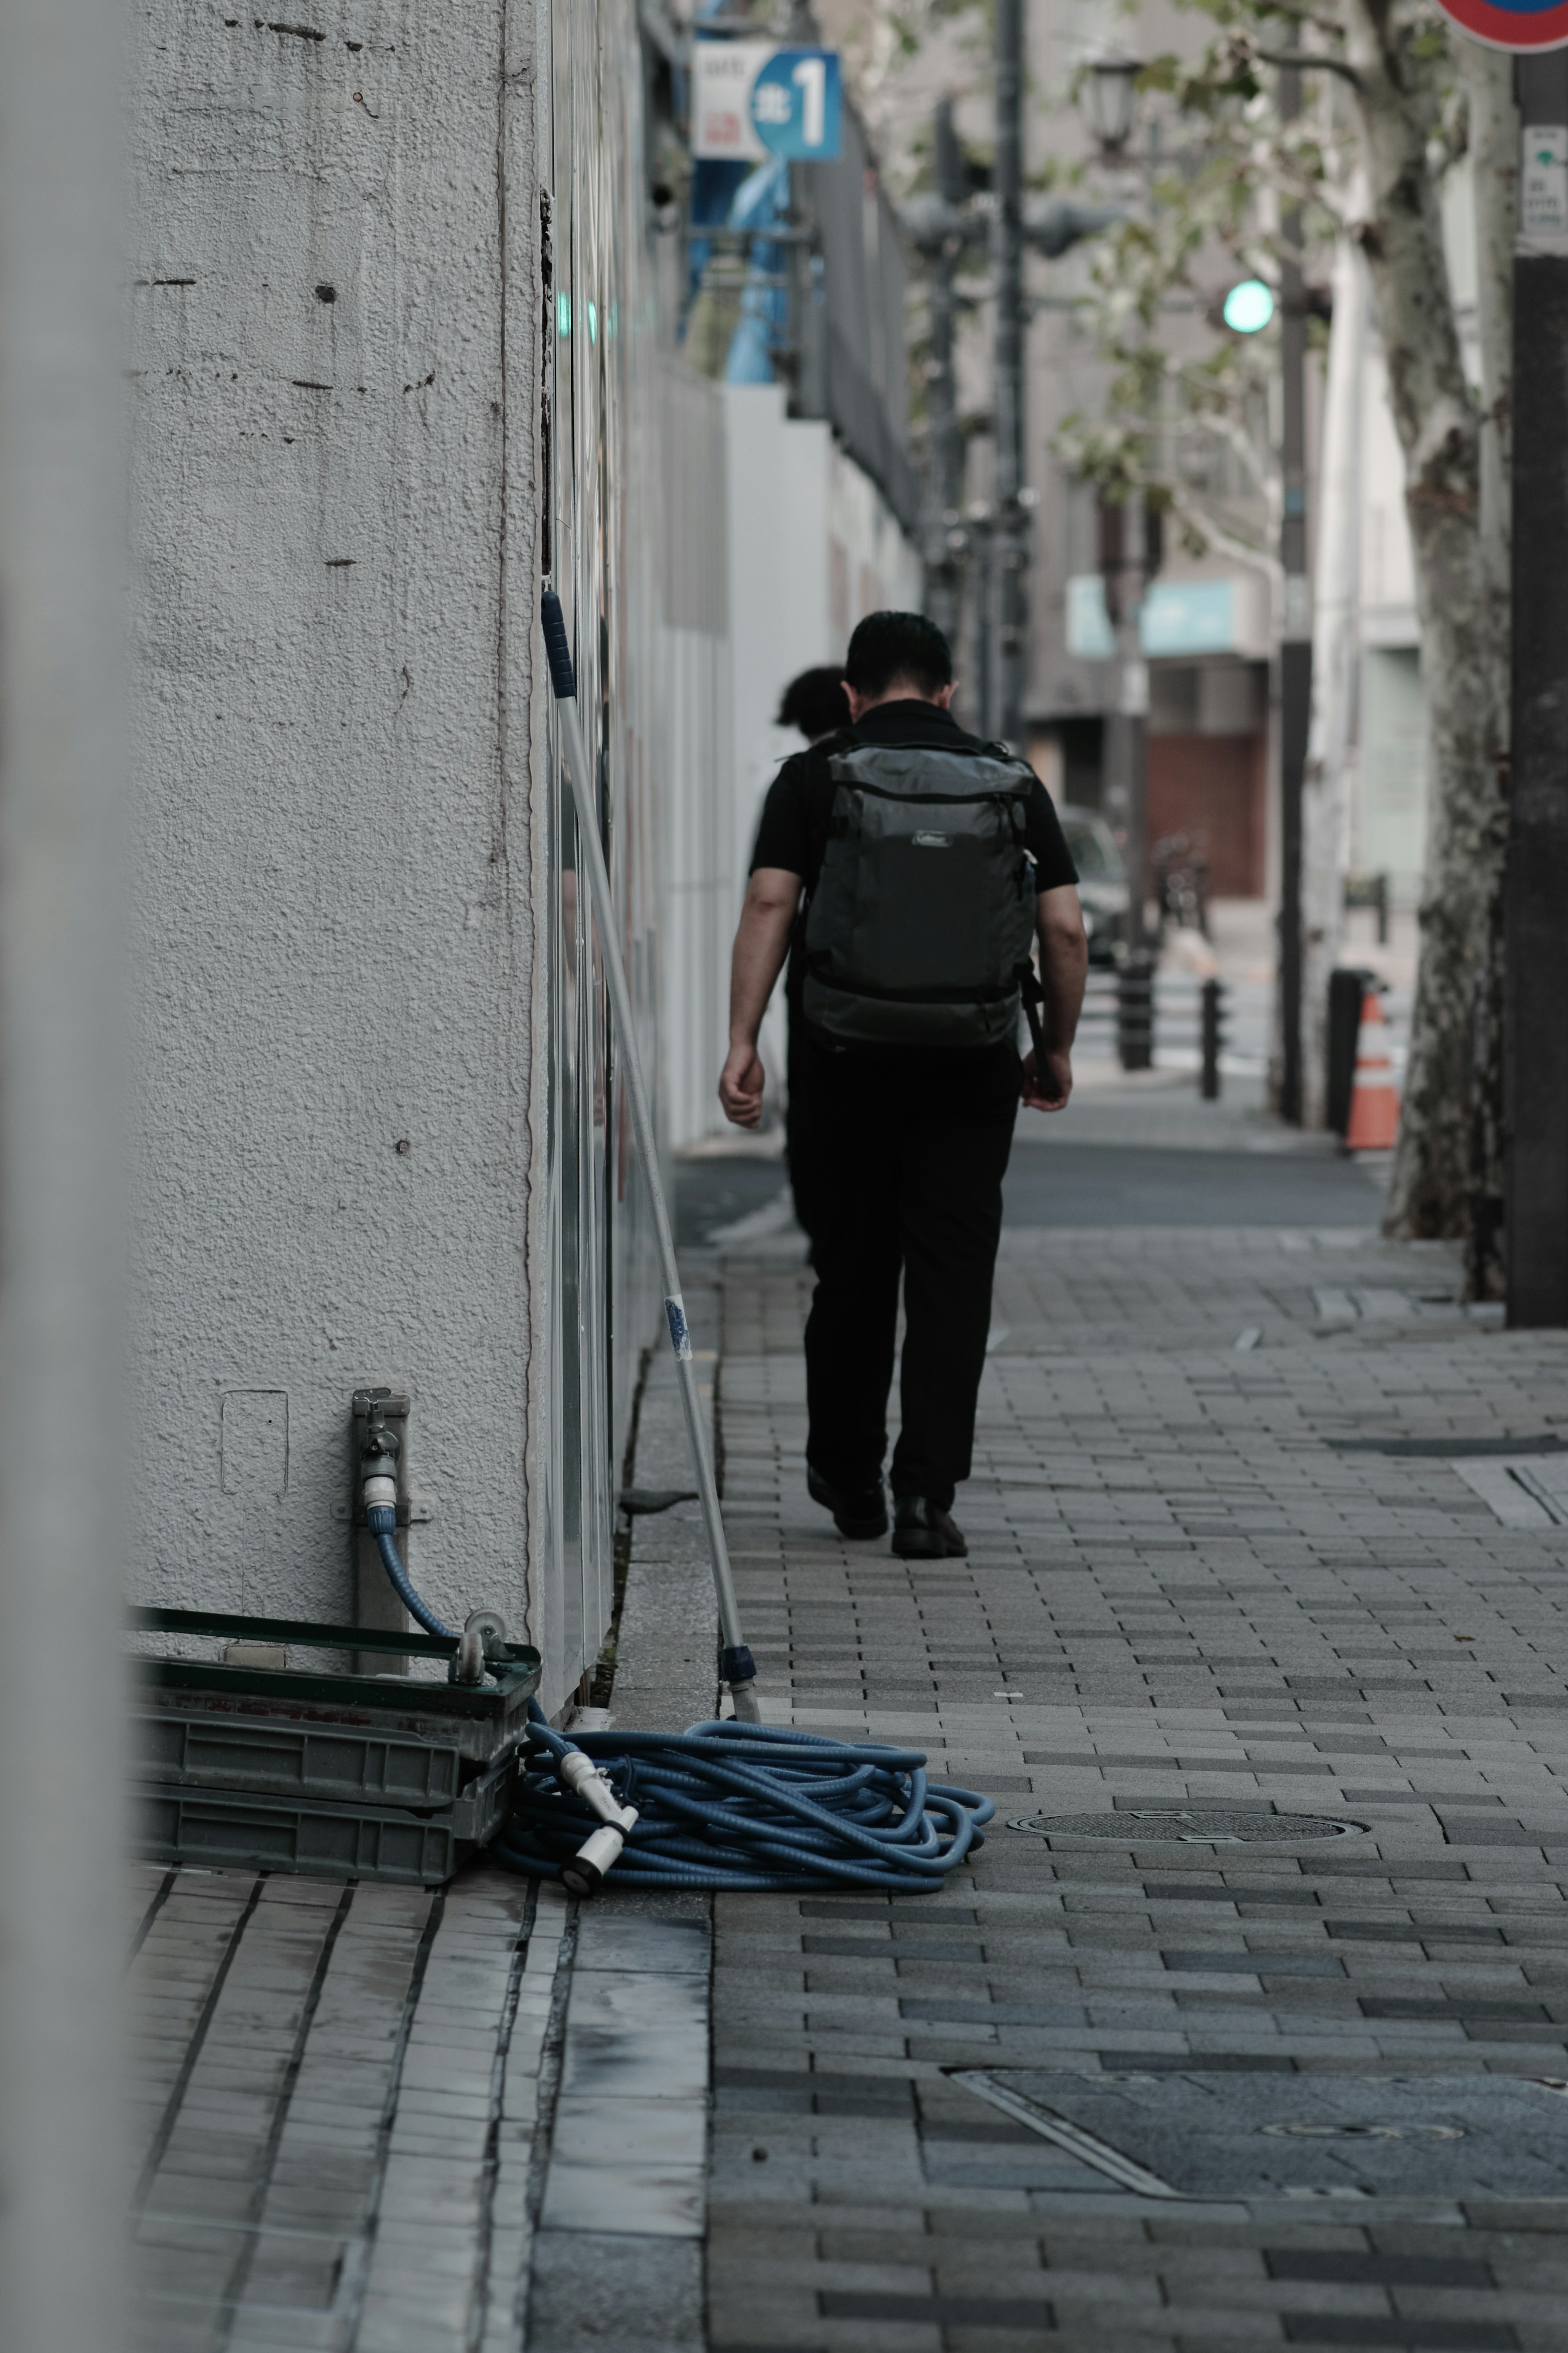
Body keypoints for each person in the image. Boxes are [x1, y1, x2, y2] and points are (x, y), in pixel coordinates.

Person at [718, 610, 1087, 1561]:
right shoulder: (1011, 780)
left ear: (850, 694)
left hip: (843, 1056)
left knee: (853, 1268)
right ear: (949, 691)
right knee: (952, 1275)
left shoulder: (814, 775)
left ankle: (848, 1477)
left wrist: (742, 1038)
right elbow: (1066, 931)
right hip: (971, 1061)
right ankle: (927, 1496)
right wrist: (1055, 1048)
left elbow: (770, 900)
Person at [771, 666, 851, 1242]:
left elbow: (770, 903)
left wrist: (742, 1038)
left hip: (820, 993)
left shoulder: (801, 778)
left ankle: (828, 1235)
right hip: (923, 1003)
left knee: (818, 1121)